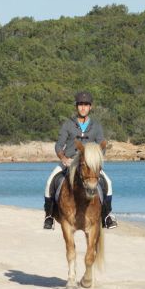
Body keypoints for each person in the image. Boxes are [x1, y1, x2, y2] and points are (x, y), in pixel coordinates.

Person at [43, 91, 118, 230]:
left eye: (86, 105)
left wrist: (97, 162)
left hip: (88, 164)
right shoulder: (67, 124)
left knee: (108, 183)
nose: (83, 107)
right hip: (69, 161)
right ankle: (49, 216)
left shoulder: (96, 126)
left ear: (90, 107)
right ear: (76, 107)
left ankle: (107, 216)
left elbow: (102, 145)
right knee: (49, 183)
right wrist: (63, 158)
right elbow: (59, 145)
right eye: (80, 105)